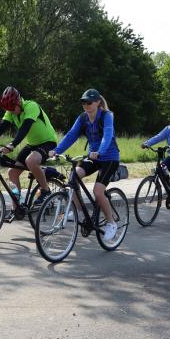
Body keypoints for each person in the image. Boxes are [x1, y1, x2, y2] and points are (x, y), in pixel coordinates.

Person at [49, 89, 120, 240]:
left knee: (98, 192)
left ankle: (111, 222)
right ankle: (80, 212)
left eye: (89, 102)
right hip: (92, 156)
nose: (86, 105)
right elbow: (71, 135)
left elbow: (107, 135)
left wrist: (100, 151)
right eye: (83, 102)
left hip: (109, 157)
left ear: (98, 102)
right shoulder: (83, 118)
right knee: (73, 178)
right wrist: (56, 150)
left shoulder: (107, 115)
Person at [0, 86, 57, 208]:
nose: (11, 111)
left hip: (48, 142)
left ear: (19, 102)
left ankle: (45, 191)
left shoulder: (31, 106)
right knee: (12, 173)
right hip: (33, 144)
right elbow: (1, 127)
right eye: (8, 110)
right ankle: (16, 208)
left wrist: (12, 144)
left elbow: (25, 128)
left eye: (12, 108)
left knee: (30, 161)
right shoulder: (11, 111)